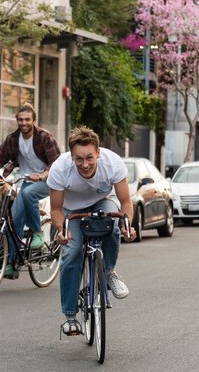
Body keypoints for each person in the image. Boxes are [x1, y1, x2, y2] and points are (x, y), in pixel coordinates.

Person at [47, 126, 136, 336]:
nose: (85, 164)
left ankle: (109, 272)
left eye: (89, 158)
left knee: (113, 225)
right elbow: (56, 210)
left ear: (98, 153)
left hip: (102, 203)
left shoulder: (112, 163)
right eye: (79, 159)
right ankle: (70, 316)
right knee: (72, 251)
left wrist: (127, 225)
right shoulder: (60, 169)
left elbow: (125, 203)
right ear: (71, 157)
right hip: (71, 211)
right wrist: (62, 231)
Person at [0, 103, 61, 278]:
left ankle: (37, 233)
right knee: (13, 220)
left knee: (29, 194)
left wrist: (43, 174)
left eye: (27, 119)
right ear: (17, 121)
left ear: (34, 121)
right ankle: (13, 264)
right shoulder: (13, 138)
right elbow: (0, 155)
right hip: (27, 181)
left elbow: (56, 163)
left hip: (50, 180)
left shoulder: (44, 137)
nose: (23, 123)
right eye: (20, 119)